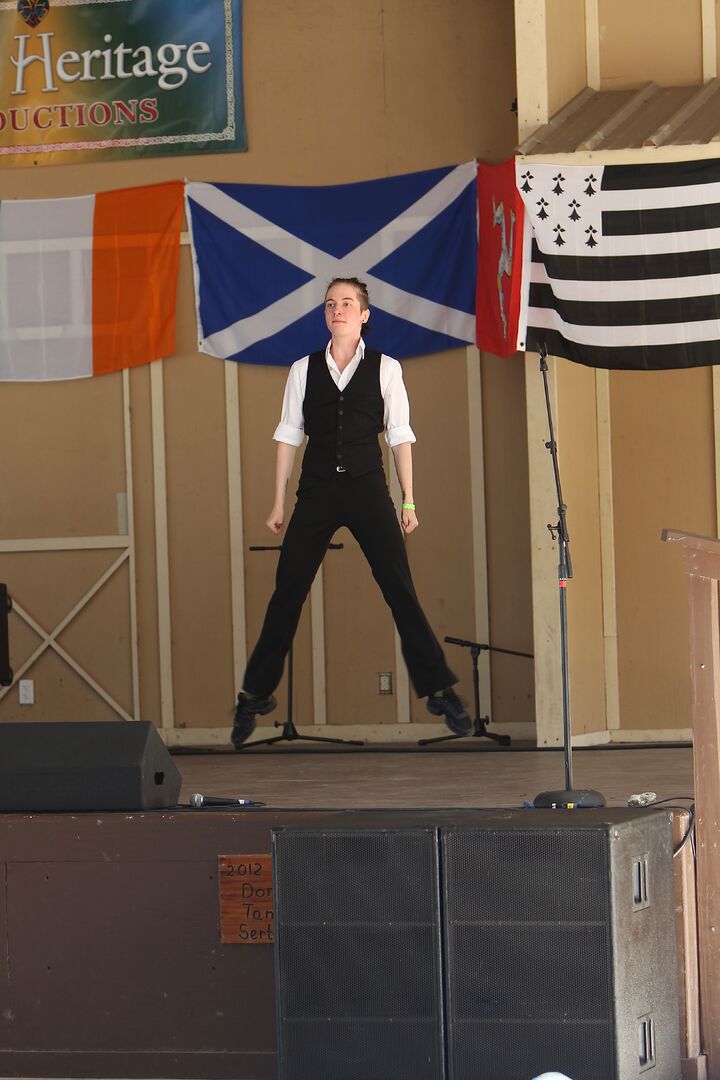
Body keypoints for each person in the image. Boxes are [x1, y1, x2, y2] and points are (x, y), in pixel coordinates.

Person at [231, 276, 472, 746]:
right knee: (287, 592)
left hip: (366, 488)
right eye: (330, 304)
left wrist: (409, 499)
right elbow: (288, 435)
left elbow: (400, 435)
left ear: (364, 315)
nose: (337, 310)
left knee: (399, 589)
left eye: (347, 304)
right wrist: (278, 500)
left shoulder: (386, 368)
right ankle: (253, 695)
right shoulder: (303, 369)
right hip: (317, 491)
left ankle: (440, 691)